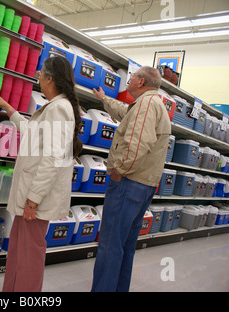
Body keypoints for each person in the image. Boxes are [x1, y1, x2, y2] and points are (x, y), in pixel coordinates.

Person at [0, 56, 83, 292]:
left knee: (29, 254)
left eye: (41, 73)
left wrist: (33, 199)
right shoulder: (54, 106)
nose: (38, 77)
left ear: (50, 78)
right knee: (18, 250)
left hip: (36, 198)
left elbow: (53, 158)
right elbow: (33, 133)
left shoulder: (60, 109)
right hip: (30, 195)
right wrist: (10, 111)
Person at [90, 66, 171, 292]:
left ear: (141, 82)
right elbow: (127, 114)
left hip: (128, 183)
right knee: (124, 245)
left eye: (133, 76)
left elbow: (136, 144)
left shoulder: (146, 105)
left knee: (110, 245)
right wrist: (105, 99)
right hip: (144, 185)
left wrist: (119, 170)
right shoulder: (154, 104)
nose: (130, 79)